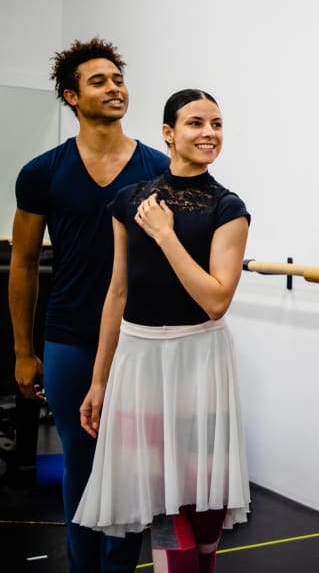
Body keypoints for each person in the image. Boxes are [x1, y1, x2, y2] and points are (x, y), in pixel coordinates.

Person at [71, 89, 251, 573]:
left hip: (201, 360)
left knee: (203, 504)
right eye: (195, 123)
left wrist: (167, 236)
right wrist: (99, 379)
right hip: (141, 361)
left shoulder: (228, 207)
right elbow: (117, 293)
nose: (209, 133)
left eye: (216, 123)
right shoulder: (129, 201)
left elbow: (215, 300)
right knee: (166, 502)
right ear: (169, 133)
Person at [9, 37, 169, 572]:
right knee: (80, 461)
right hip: (69, 337)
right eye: (98, 81)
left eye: (118, 79)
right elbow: (26, 263)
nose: (114, 88)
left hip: (140, 338)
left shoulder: (159, 168)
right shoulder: (41, 172)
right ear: (71, 96)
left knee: (129, 468)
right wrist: (23, 350)